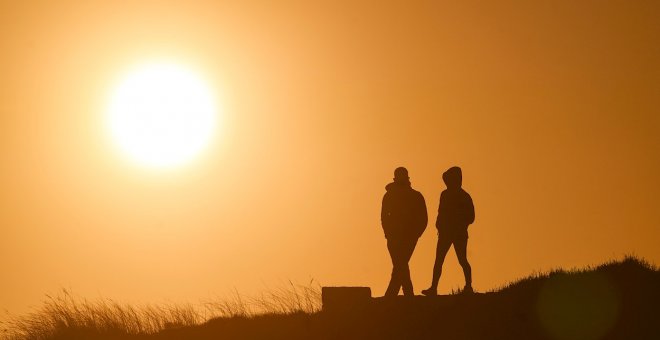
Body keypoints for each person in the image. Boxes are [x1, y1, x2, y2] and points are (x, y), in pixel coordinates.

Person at [422, 166, 475, 296]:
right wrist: (439, 224)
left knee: (462, 260)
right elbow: (441, 212)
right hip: (445, 233)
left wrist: (460, 224)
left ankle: (468, 286)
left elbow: (471, 217)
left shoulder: (464, 196)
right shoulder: (444, 194)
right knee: (438, 260)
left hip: (459, 234)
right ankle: (433, 288)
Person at [381, 167, 428, 297]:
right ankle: (407, 295)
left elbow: (423, 218)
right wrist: (388, 233)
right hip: (393, 237)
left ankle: (393, 295)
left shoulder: (416, 196)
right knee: (400, 265)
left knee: (400, 264)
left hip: (409, 237)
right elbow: (384, 216)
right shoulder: (389, 196)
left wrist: (416, 234)